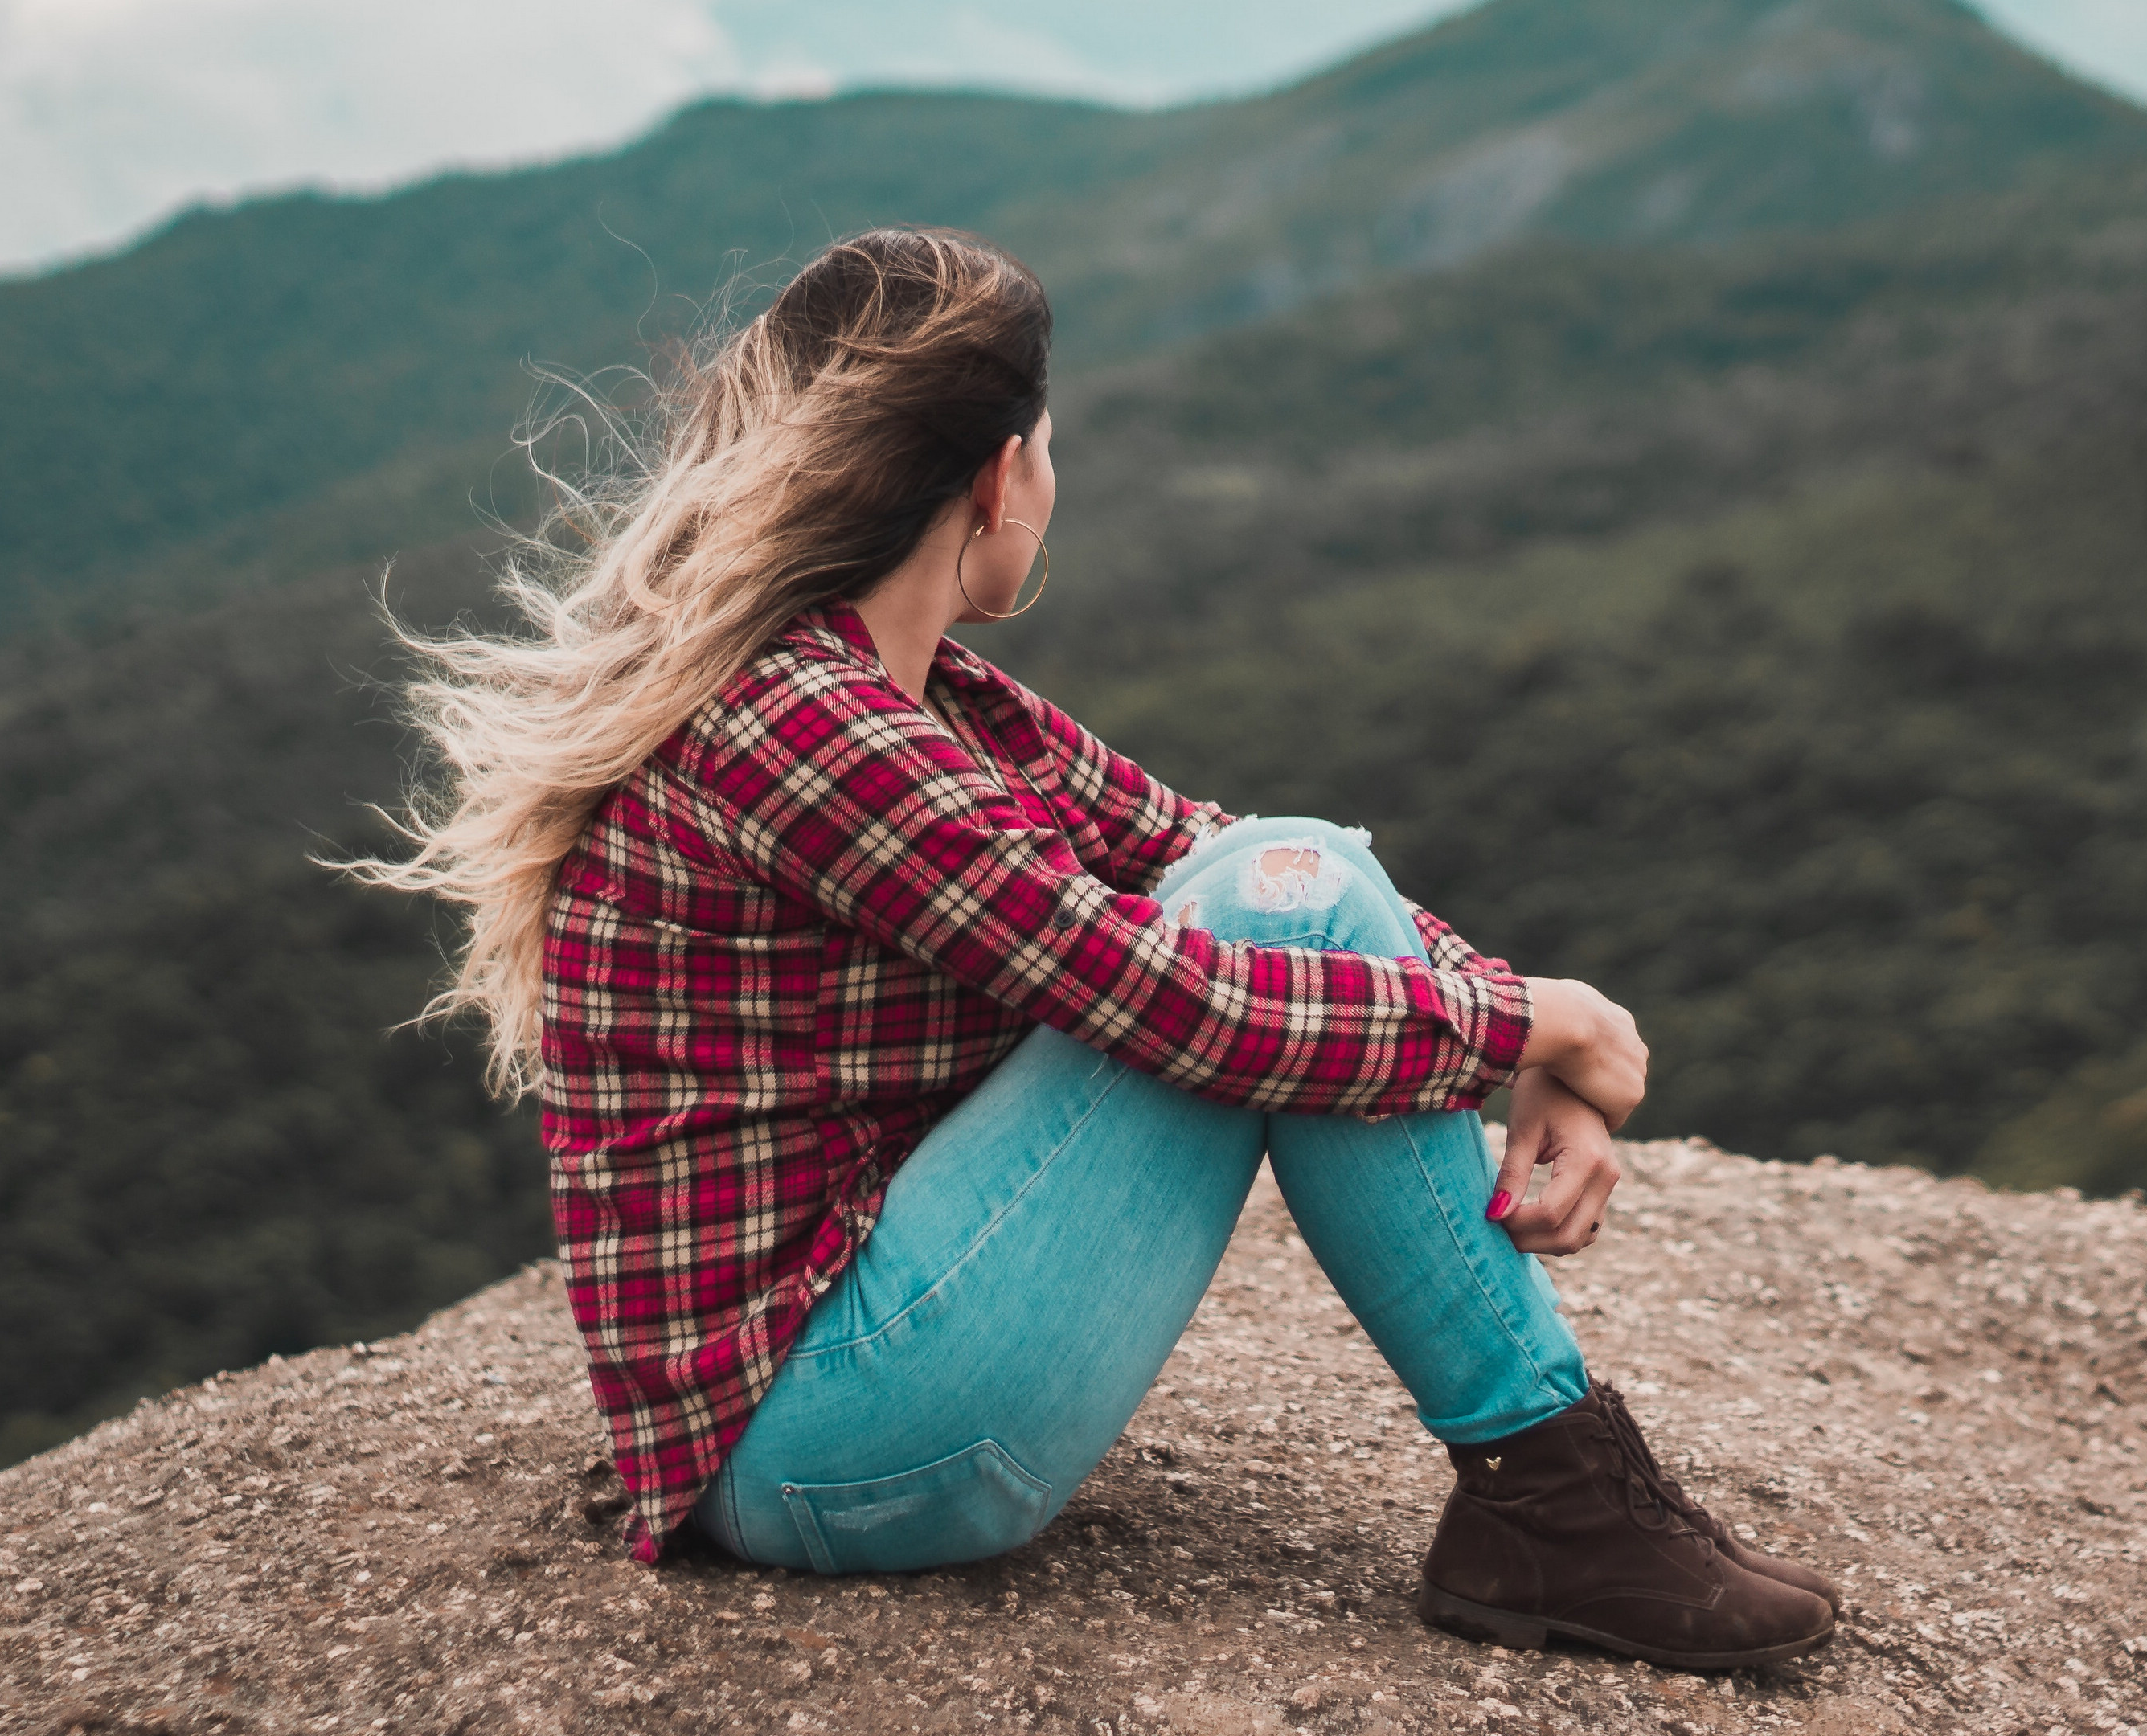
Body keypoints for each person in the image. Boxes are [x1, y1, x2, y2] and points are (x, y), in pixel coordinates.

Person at [355, 227, 1835, 1669]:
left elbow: (1221, 849)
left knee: (1278, 867)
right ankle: (1556, 1495)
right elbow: (1176, 996)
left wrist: (1521, 1028)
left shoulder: (921, 701)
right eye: (1048, 450)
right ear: (1000, 476)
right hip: (818, 1440)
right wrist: (1527, 1025)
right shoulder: (806, 727)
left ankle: (1557, 1495)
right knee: (1265, 918)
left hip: (854, 1382)